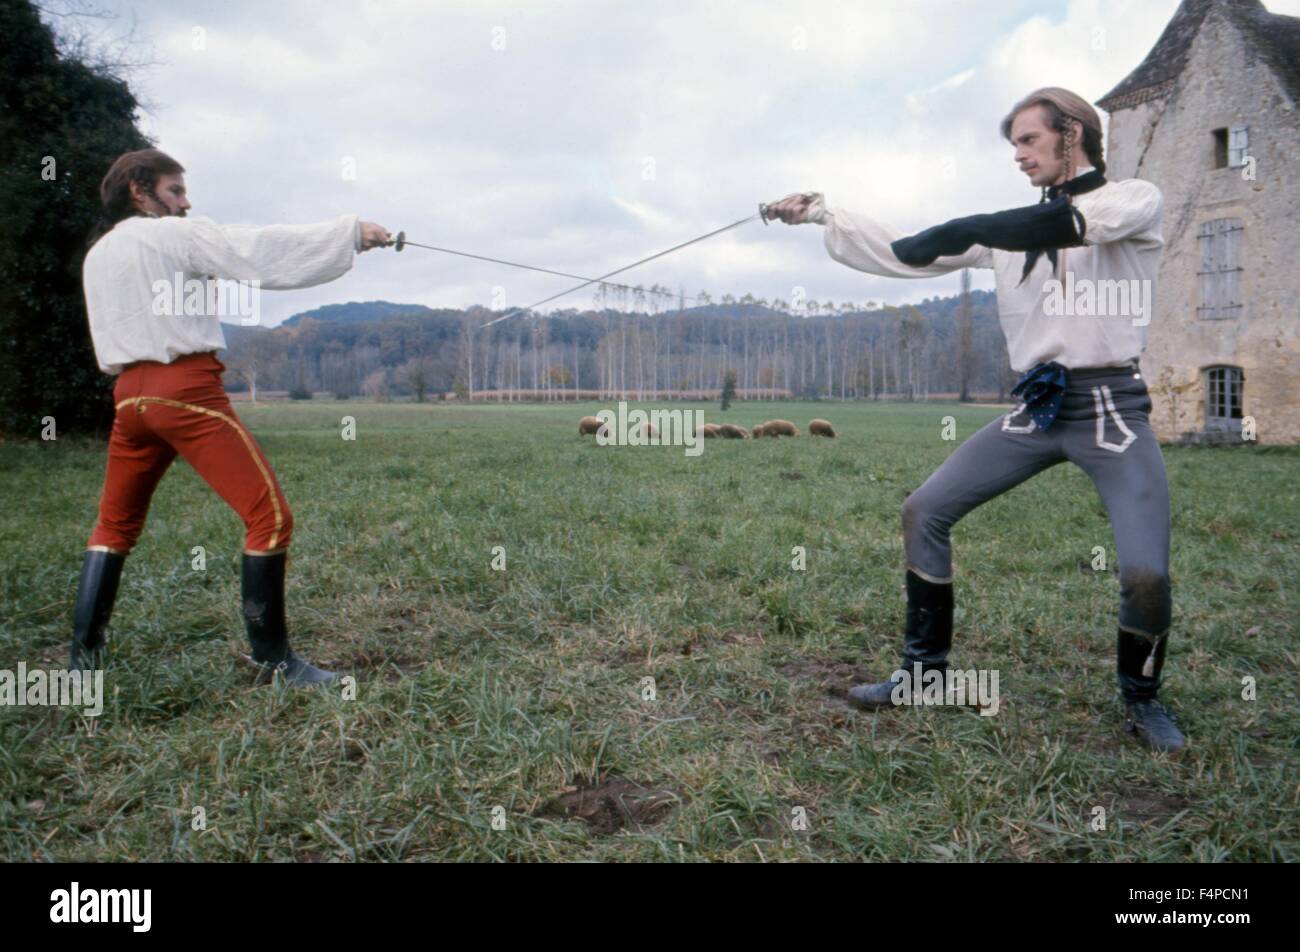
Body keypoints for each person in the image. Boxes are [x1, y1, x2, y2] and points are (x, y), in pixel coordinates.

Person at [766, 87, 1184, 753]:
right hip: (1037, 409)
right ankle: (921, 674)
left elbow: (1074, 224)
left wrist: (975, 225)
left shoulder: (1135, 201)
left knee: (1146, 575)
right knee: (924, 509)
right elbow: (906, 252)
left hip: (1112, 414)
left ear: (1071, 133)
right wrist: (822, 212)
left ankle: (1142, 699)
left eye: (1027, 140)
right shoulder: (1006, 236)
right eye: (1013, 144)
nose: (1018, 155)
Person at [73, 148, 392, 686]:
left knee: (113, 526)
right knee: (269, 516)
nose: (186, 202)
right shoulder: (172, 235)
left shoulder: (97, 255)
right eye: (175, 191)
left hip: (129, 399)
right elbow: (256, 249)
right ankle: (275, 663)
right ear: (139, 190)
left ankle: (83, 662)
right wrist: (350, 233)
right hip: (184, 391)